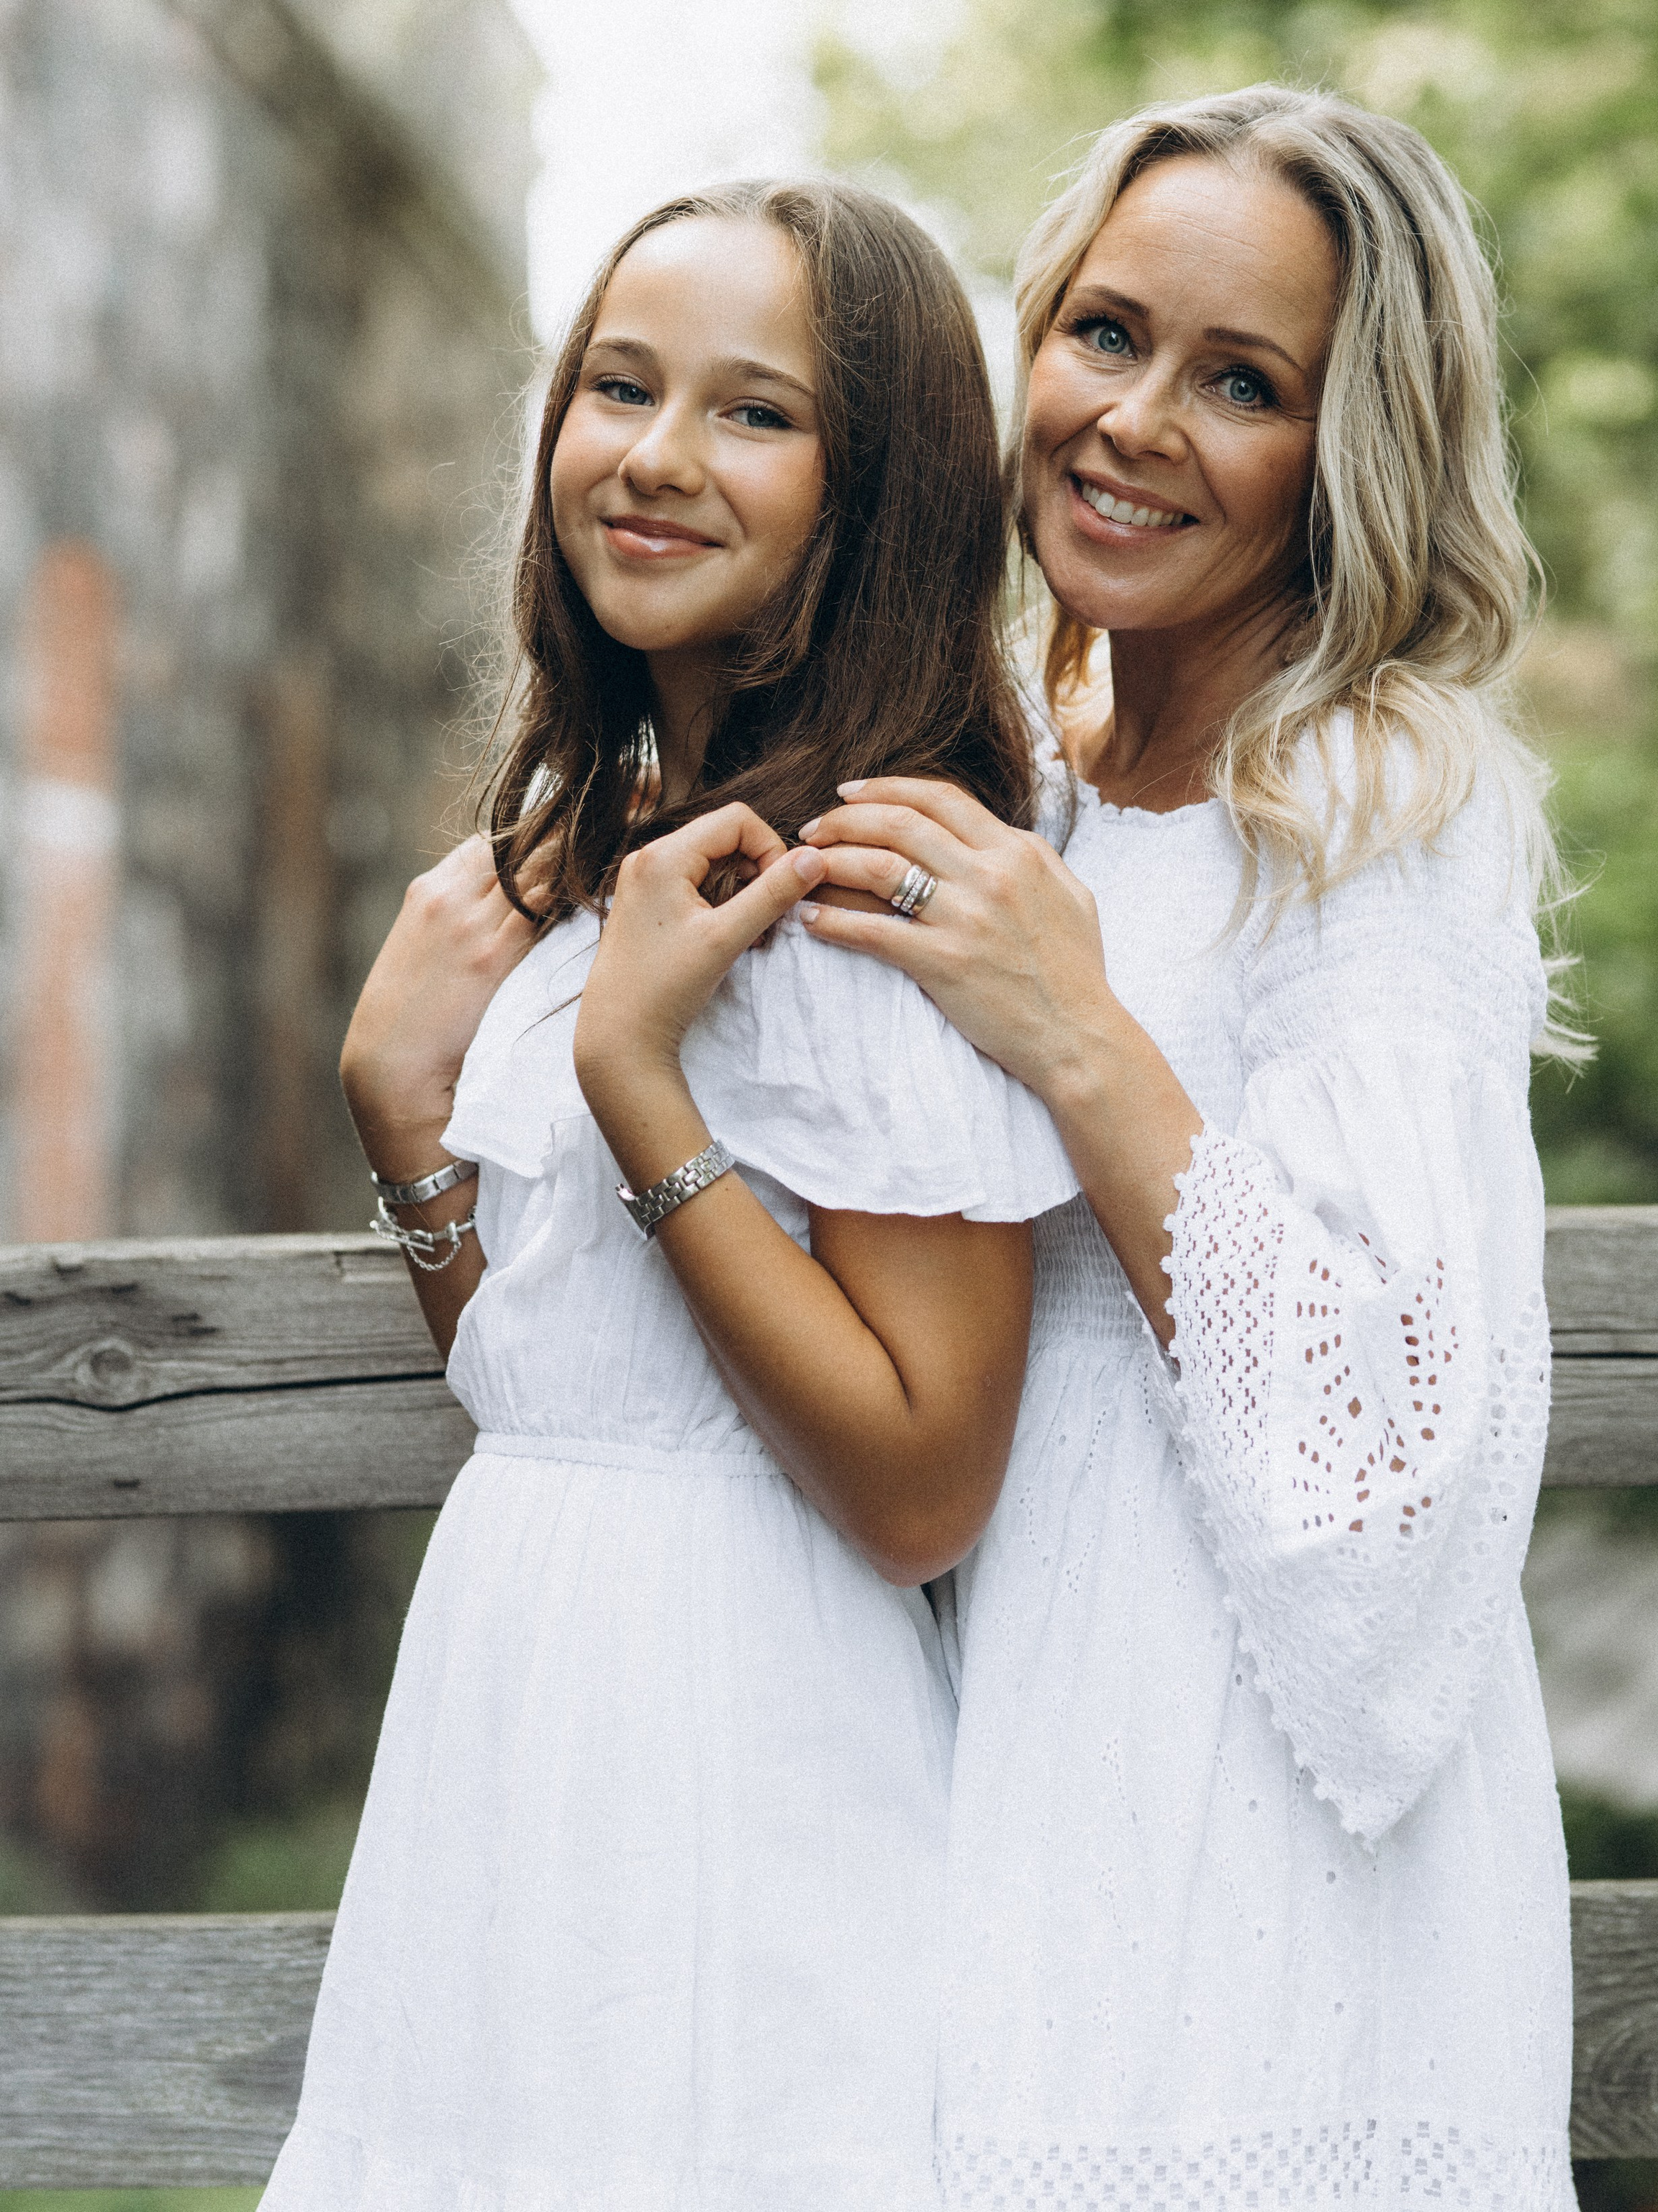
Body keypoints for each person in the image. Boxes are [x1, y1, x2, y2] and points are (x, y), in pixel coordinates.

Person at [261, 179, 1077, 2212]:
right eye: (619, 387)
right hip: (521, 1702)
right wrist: (407, 1128)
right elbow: (582, 1388)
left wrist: (633, 1078)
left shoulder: (872, 880)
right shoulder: (617, 852)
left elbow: (917, 1482)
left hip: (738, 1736)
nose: (650, 457)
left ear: (873, 489)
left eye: (753, 414)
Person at [799, 89, 1578, 2209]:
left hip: (1270, 1900)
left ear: (1352, 454)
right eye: (1108, 333)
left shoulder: (1372, 816)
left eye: (1242, 382)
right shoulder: (1018, 779)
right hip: (1000, 1823)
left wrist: (1082, 1041)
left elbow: (1396, 1497)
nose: (1135, 420)